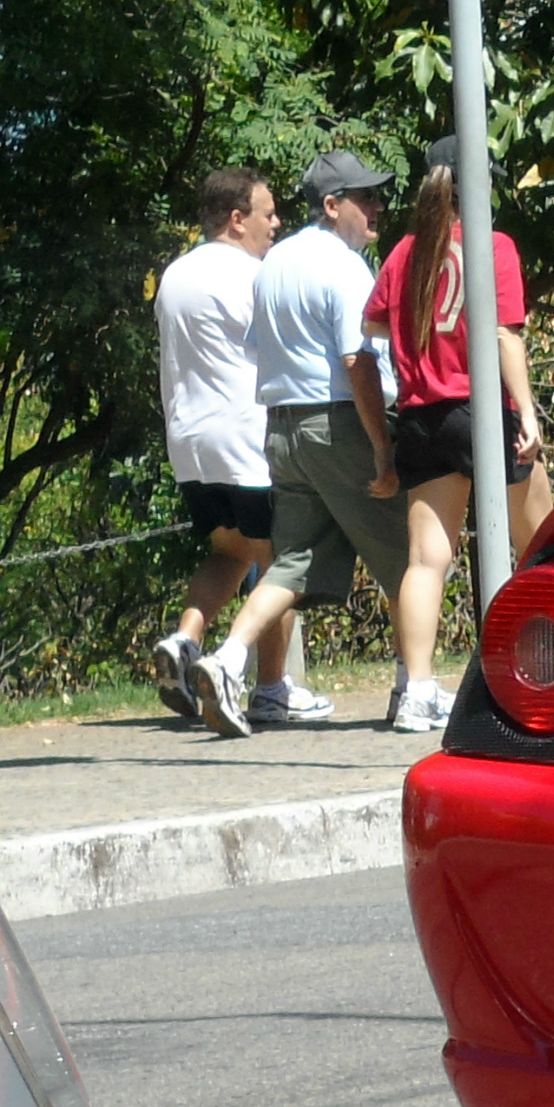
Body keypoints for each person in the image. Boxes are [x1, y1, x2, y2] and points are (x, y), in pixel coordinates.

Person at [193, 152, 408, 736]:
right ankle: (414, 688)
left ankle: (226, 659)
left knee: (292, 561)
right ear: (332, 206)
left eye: (378, 196)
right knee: (406, 556)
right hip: (339, 424)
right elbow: (356, 361)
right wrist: (382, 447)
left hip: (282, 430)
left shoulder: (274, 263)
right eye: (364, 198)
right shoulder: (343, 266)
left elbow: (265, 346)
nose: (377, 207)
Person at [364, 154, 545, 736]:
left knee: (426, 560)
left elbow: (370, 331)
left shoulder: (404, 251)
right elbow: (503, 335)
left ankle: (416, 691)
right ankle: (546, 673)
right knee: (544, 542)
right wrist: (528, 411)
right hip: (482, 408)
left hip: (420, 416)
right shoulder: (495, 246)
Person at [147, 169, 286, 722]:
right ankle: (272, 688)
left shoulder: (175, 275)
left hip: (189, 441)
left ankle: (184, 642)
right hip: (245, 435)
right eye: (267, 213)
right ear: (237, 219)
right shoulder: (249, 274)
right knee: (280, 562)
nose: (275, 224)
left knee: (229, 552)